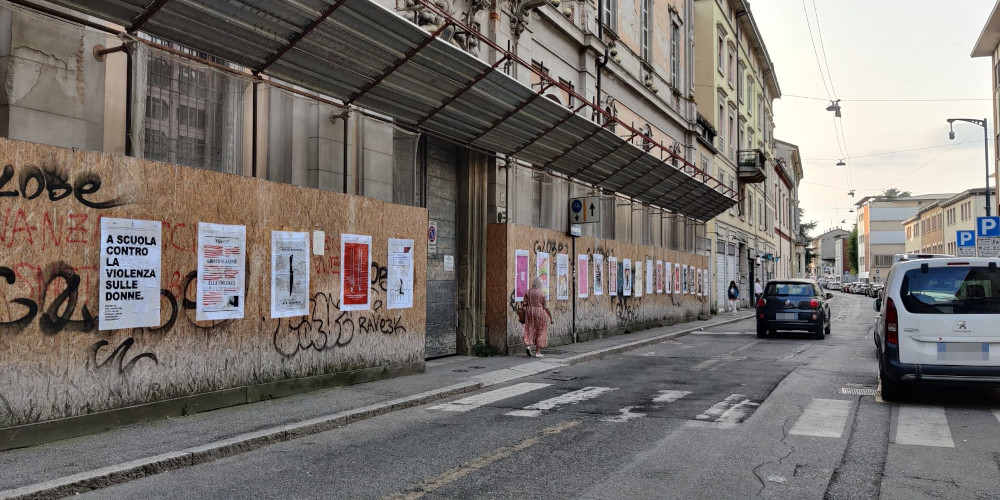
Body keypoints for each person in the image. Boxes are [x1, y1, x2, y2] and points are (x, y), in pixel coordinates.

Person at [523, 277, 554, 357]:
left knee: (529, 329)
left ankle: (528, 346)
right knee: (540, 331)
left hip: (529, 312)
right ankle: (537, 352)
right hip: (539, 312)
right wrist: (551, 317)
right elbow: (546, 307)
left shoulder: (528, 291)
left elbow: (524, 304)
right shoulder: (541, 293)